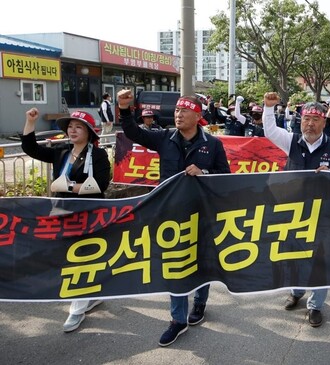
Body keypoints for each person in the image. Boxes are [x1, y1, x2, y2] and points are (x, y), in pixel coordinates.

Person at [116, 89, 231, 347]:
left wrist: (206, 171)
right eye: (177, 110)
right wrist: (125, 109)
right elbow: (134, 132)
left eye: (184, 111)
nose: (178, 115)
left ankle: (200, 304)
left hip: (202, 213)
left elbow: (225, 175)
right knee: (175, 264)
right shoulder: (164, 137)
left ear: (198, 115)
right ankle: (177, 320)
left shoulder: (213, 144)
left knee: (202, 262)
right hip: (170, 214)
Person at [262, 91, 330, 327]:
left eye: (315, 120)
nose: (309, 124)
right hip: (294, 212)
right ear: (300, 120)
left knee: (322, 259)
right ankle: (296, 291)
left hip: (324, 214)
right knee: (294, 254)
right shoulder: (291, 141)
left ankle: (315, 305)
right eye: (305, 119)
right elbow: (270, 131)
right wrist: (269, 108)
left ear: (324, 121)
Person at [21, 108, 111, 333]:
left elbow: (99, 185)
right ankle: (91, 296)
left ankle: (77, 309)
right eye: (70, 126)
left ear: (89, 132)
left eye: (78, 127)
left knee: (79, 259)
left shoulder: (98, 155)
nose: (72, 130)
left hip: (88, 214)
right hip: (60, 212)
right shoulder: (60, 150)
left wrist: (68, 186)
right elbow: (30, 148)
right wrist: (30, 122)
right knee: (66, 258)